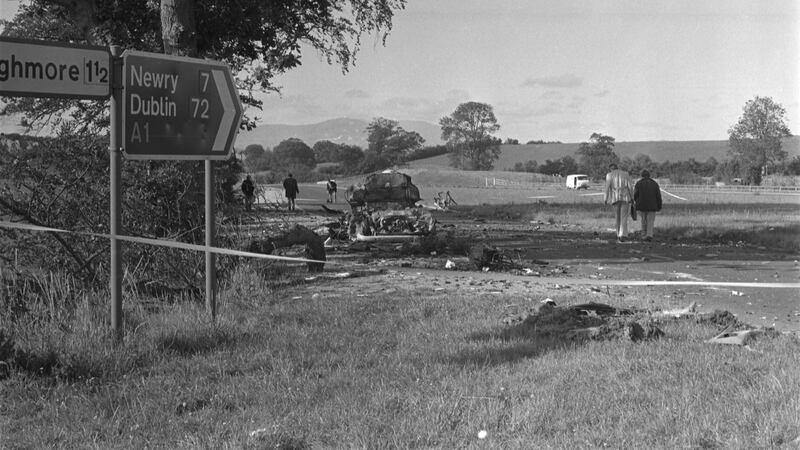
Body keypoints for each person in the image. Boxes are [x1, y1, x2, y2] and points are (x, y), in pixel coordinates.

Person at [604, 163, 634, 242]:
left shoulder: (609, 175)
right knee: (623, 217)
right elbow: (630, 187)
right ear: (617, 167)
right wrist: (632, 197)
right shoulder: (625, 174)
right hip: (625, 198)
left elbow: (607, 188)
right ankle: (623, 234)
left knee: (617, 217)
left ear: (611, 169)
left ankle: (618, 234)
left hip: (615, 198)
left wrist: (605, 199)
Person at [633, 169, 663, 242]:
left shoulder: (638, 183)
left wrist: (636, 202)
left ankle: (643, 235)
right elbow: (658, 196)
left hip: (641, 205)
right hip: (652, 205)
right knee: (650, 221)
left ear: (642, 175)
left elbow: (635, 195)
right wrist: (659, 206)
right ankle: (649, 235)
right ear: (649, 175)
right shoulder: (654, 184)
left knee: (643, 220)